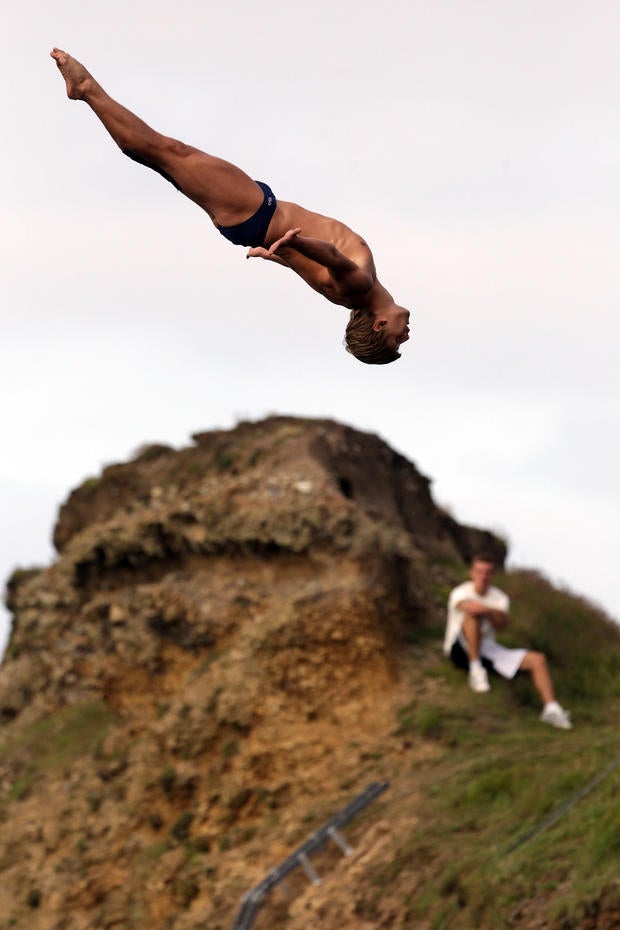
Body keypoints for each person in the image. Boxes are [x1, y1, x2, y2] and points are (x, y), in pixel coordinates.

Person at [50, 48, 411, 365]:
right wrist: (275, 255)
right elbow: (312, 270)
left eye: (396, 340)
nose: (405, 335)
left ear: (379, 325)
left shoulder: (360, 284)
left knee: (166, 151)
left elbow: (330, 255)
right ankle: (87, 93)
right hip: (250, 221)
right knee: (159, 158)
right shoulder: (349, 295)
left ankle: (85, 90)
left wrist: (294, 242)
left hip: (256, 211)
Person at [444, 553, 572, 729]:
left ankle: (551, 708)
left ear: (493, 575)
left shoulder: (500, 597)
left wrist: (488, 612)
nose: (483, 577)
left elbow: (501, 625)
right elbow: (471, 609)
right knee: (472, 619)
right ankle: (475, 670)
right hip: (459, 649)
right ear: (472, 572)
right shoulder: (460, 592)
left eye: (488, 572)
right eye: (479, 572)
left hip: (487, 649)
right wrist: (492, 611)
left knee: (537, 660)